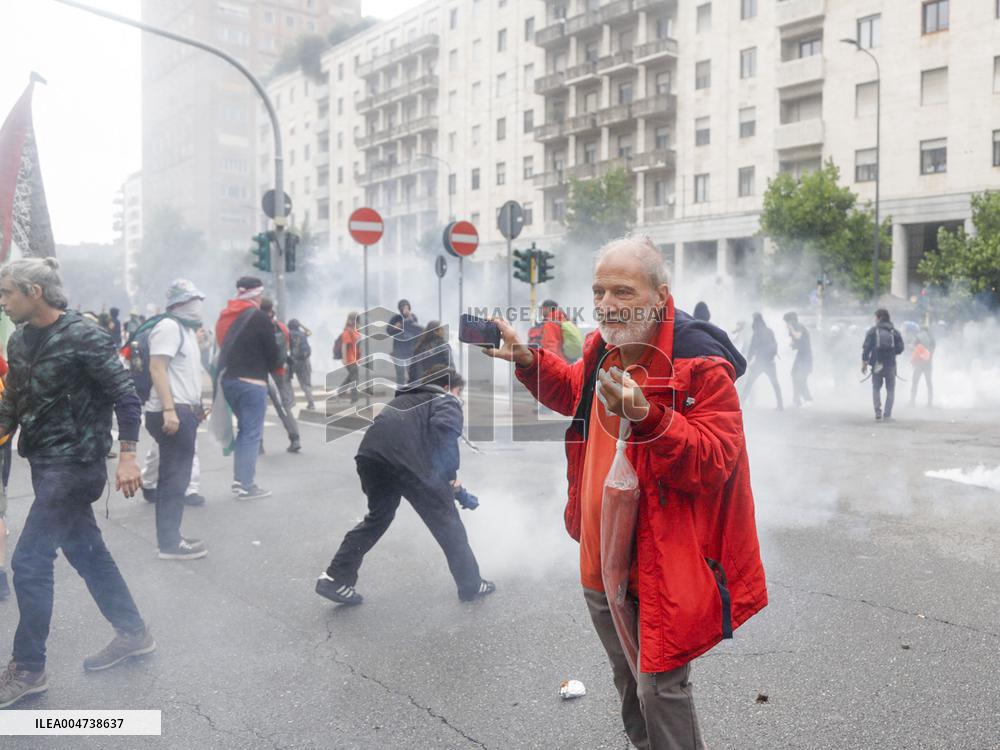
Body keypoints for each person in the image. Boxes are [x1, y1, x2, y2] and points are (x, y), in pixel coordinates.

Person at [484, 234, 767, 749]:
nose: (606, 305)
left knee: (661, 689)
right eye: (599, 292)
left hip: (657, 564)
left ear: (661, 295)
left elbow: (714, 460)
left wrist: (649, 417)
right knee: (628, 679)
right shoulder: (600, 347)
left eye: (623, 291)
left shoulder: (699, 363)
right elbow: (574, 392)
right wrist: (528, 361)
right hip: (598, 556)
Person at [0, 258, 154, 709]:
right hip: (44, 463)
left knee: (29, 562)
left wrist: (127, 456)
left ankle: (28, 668)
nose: (2, 301)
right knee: (88, 553)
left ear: (35, 292)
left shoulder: (84, 335)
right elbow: (10, 406)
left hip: (78, 465)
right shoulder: (20, 340)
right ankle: (134, 633)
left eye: (7, 293)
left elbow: (126, 394)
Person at [316, 366, 494, 605]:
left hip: (370, 457)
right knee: (447, 522)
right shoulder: (445, 399)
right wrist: (451, 477)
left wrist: (453, 485)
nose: (459, 397)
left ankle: (335, 579)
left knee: (378, 518)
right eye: (459, 391)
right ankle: (472, 585)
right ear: (447, 386)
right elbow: (444, 432)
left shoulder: (406, 398)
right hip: (406, 461)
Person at [144, 279, 209, 560]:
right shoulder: (169, 327)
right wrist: (170, 410)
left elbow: (185, 374)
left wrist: (197, 405)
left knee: (177, 478)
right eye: (193, 300)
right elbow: (157, 368)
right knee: (173, 480)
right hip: (171, 411)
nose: (198, 306)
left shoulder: (185, 330)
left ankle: (172, 538)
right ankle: (169, 543)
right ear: (179, 303)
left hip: (184, 409)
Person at [215, 277, 281, 500]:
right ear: (256, 295)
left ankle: (239, 480)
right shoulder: (260, 317)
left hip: (228, 381)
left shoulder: (224, 317)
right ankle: (246, 484)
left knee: (243, 432)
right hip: (252, 382)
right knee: (251, 433)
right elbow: (273, 356)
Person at [260, 298, 301, 454]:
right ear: (272, 310)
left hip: (261, 373)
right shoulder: (282, 327)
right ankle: (295, 438)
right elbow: (287, 349)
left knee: (259, 408)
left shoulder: (257, 326)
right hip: (279, 372)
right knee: (284, 406)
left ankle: (258, 444)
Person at [862, 308, 905, 421]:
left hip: (877, 364)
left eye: (875, 317)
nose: (874, 319)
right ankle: (887, 414)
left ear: (879, 317)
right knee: (890, 389)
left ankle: (877, 412)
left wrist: (864, 362)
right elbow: (901, 348)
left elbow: (866, 348)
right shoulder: (894, 332)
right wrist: (891, 353)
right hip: (890, 364)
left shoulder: (872, 331)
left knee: (876, 388)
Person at [740, 313, 783, 410]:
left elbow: (752, 346)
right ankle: (780, 405)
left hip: (760, 362)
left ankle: (741, 404)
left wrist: (748, 359)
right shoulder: (769, 331)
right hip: (770, 362)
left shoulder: (757, 332)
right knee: (775, 383)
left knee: (749, 382)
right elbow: (775, 343)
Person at [387, 299, 422, 386]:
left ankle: (413, 391)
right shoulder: (396, 318)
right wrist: (395, 327)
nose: (405, 309)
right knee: (400, 374)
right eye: (403, 307)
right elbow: (389, 331)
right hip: (399, 350)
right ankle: (400, 392)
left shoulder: (413, 317)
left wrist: (409, 318)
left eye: (407, 307)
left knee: (412, 373)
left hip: (411, 350)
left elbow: (417, 329)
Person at [783, 311, 813, 407]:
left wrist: (791, 328)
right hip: (801, 355)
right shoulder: (795, 327)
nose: (785, 324)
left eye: (786, 322)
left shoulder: (799, 326)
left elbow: (798, 336)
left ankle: (808, 399)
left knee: (800, 377)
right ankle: (797, 400)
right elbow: (795, 342)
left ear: (791, 321)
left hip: (806, 356)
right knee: (795, 375)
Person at [287, 319, 316, 410]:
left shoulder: (288, 334)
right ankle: (311, 403)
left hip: (293, 361)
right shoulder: (303, 334)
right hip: (305, 362)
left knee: (286, 381)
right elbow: (309, 332)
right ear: (297, 326)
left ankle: (291, 401)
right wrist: (301, 325)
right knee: (306, 384)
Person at [335, 312, 362, 404]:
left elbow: (357, 345)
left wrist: (359, 357)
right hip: (349, 359)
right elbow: (344, 345)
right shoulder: (347, 331)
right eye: (354, 320)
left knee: (351, 377)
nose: (355, 322)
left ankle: (340, 392)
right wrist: (344, 359)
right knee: (355, 378)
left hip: (354, 358)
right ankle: (354, 399)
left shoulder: (356, 331)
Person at [909, 323, 935, 407]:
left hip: (919, 364)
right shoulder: (931, 338)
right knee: (929, 383)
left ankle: (912, 402)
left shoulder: (918, 337)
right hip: (928, 363)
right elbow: (933, 349)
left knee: (915, 382)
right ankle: (929, 403)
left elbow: (912, 347)